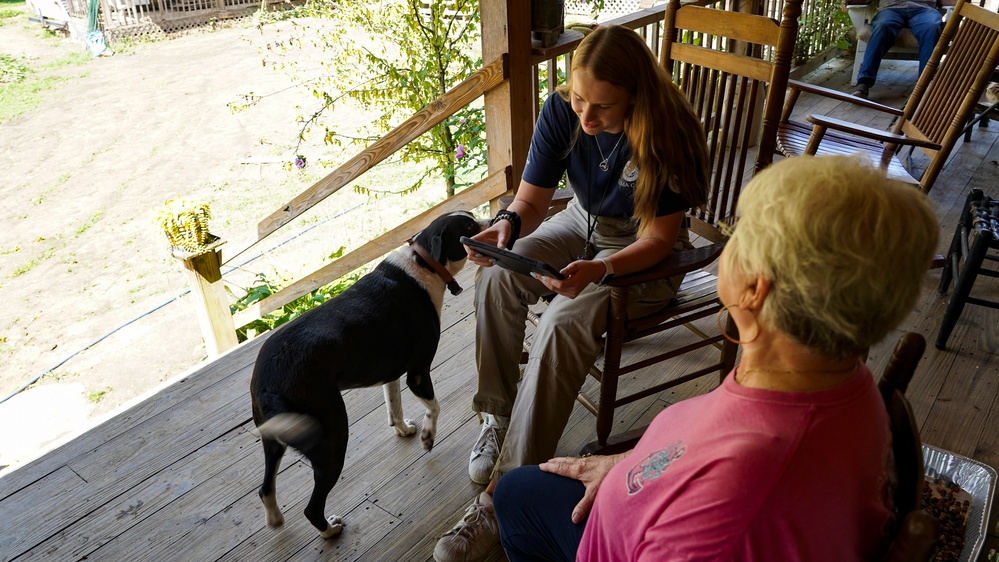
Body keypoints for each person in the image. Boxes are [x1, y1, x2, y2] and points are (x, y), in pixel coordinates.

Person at [491, 155, 940, 561]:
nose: (727, 239)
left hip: (614, 541)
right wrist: (629, 465)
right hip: (641, 492)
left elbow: (722, 507)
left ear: (754, 287)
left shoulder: (731, 516)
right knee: (518, 488)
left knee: (515, 498)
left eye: (736, 232)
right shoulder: (827, 374)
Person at [431, 24, 710, 562]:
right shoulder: (563, 109)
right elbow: (534, 199)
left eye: (602, 108)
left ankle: (501, 496)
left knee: (563, 319)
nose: (585, 119)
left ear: (636, 94)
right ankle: (498, 416)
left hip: (642, 256)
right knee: (497, 273)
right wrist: (507, 225)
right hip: (581, 222)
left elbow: (659, 239)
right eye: (579, 98)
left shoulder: (667, 132)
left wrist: (601, 269)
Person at [851, 0, 943, 98]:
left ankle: (926, 83)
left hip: (924, 9)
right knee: (882, 25)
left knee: (932, 27)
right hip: (891, 8)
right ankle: (864, 81)